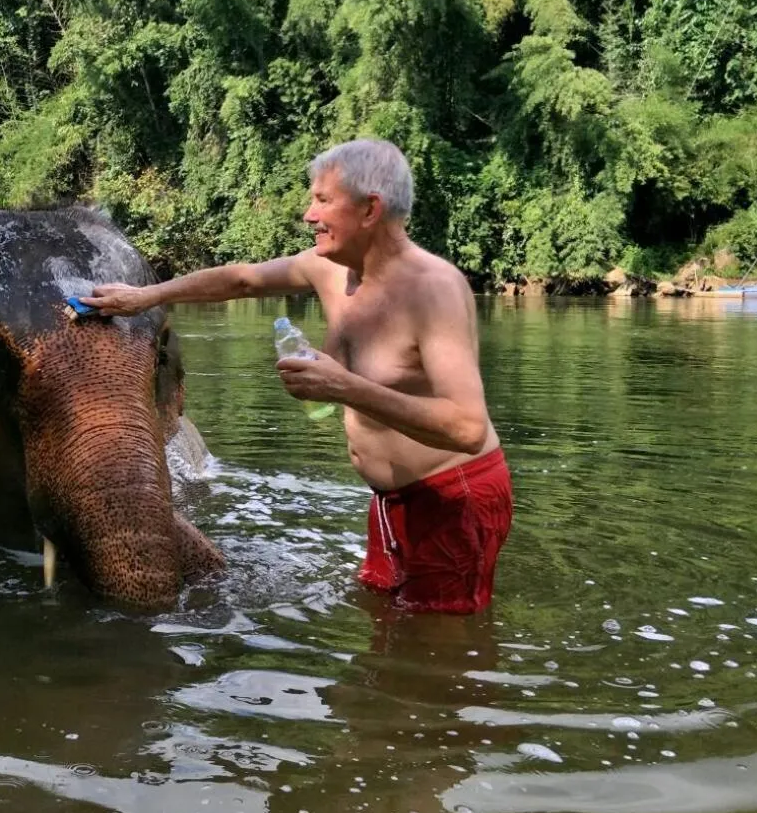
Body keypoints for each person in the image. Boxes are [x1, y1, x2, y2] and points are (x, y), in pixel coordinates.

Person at [81, 138, 512, 614]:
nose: (309, 215)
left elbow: (467, 428)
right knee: (388, 626)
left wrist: (343, 386)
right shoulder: (330, 270)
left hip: (453, 498)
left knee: (440, 645)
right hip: (392, 502)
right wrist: (144, 297)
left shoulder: (433, 290)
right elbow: (241, 279)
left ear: (370, 209)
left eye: (323, 200)